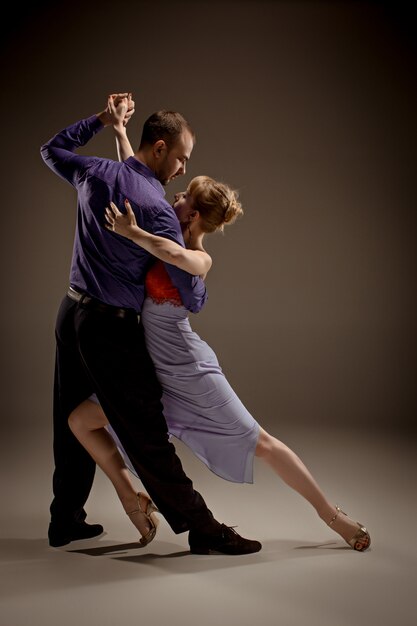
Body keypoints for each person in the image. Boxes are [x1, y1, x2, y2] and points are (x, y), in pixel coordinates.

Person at [68, 99, 371, 552]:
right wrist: (118, 131)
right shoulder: (165, 220)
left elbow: (173, 256)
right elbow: (134, 174)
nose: (176, 193)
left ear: (192, 215)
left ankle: (334, 517)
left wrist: (132, 235)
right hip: (155, 377)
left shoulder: (198, 258)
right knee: (80, 420)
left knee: (262, 442)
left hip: (191, 372)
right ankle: (133, 496)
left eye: (185, 195)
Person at [40, 92, 262, 556]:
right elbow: (187, 286)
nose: (182, 168)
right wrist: (199, 250)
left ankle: (65, 520)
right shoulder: (158, 210)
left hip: (70, 314)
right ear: (159, 148)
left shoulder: (95, 172)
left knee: (69, 420)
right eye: (180, 158)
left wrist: (104, 121)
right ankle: (204, 528)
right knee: (147, 433)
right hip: (110, 330)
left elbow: (52, 150)